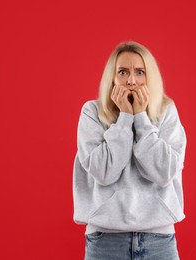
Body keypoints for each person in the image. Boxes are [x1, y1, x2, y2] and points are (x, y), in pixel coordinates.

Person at [73, 41, 187, 260]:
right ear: (112, 77)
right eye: (123, 72)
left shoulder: (166, 111)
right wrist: (125, 119)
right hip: (105, 240)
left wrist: (141, 120)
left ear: (149, 77)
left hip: (159, 239)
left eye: (140, 72)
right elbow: (104, 172)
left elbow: (164, 173)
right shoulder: (92, 112)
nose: (131, 80)